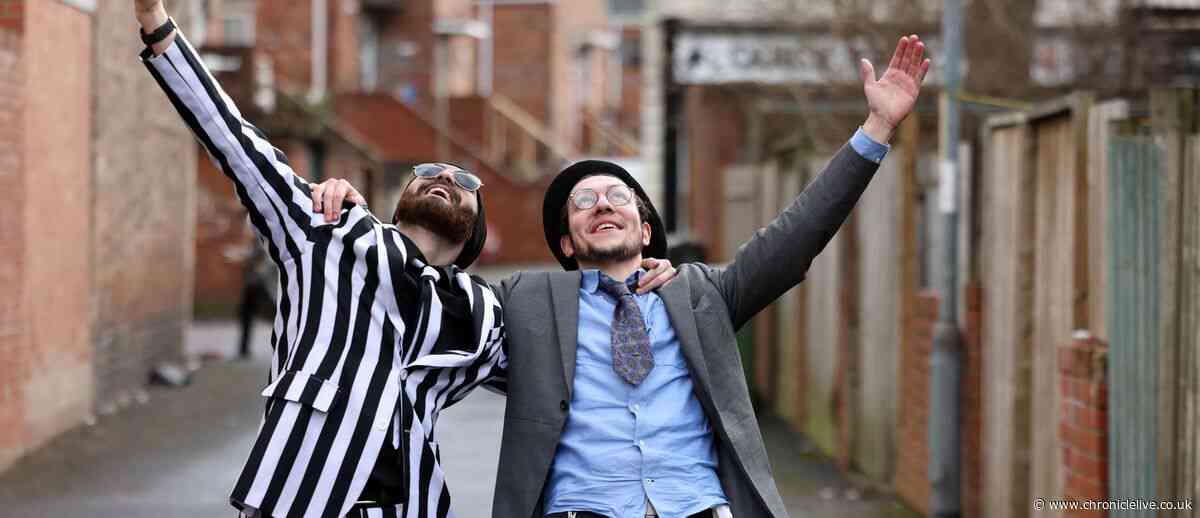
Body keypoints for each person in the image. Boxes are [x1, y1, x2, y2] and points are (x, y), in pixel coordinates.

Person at [128, 0, 676, 518]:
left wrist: (639, 287)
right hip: (299, 499)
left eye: (464, 181)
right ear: (398, 202)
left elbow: (575, 373)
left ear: (473, 230)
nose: (444, 176)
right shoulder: (326, 234)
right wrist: (157, 23)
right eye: (427, 173)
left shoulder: (484, 315)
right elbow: (233, 140)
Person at [318, 33, 930, 518]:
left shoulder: (701, 295)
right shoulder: (525, 305)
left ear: (644, 229)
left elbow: (797, 238)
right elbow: (425, 294)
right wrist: (353, 216)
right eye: (583, 202)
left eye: (618, 196)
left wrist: (875, 131)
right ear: (564, 241)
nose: (603, 204)